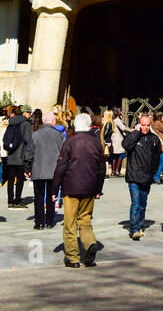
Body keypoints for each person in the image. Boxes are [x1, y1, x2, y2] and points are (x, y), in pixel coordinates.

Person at [52, 112, 106, 268]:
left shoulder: (70, 142)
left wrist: (54, 189)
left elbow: (60, 167)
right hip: (90, 188)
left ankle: (73, 257)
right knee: (85, 220)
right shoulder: (96, 143)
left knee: (70, 223)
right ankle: (89, 244)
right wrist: (98, 189)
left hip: (71, 188)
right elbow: (101, 168)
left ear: (75, 124)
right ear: (89, 125)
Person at [122, 113, 162, 240]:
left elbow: (157, 158)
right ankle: (134, 229)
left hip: (146, 177)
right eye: (143, 125)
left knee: (143, 205)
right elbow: (126, 145)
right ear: (139, 124)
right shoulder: (134, 136)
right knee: (135, 204)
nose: (145, 128)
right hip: (134, 176)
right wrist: (135, 132)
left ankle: (139, 226)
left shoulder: (154, 139)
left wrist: (154, 173)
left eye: (147, 125)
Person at [31, 109, 64, 229]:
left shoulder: (35, 134)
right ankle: (50, 221)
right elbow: (63, 152)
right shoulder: (59, 135)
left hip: (38, 168)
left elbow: (29, 152)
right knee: (52, 195)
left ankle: (39, 222)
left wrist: (27, 167)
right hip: (53, 169)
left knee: (38, 196)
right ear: (53, 121)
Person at [3, 105, 33, 209]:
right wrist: (29, 159)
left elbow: (5, 138)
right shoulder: (26, 124)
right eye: (29, 113)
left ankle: (10, 201)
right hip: (21, 156)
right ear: (25, 113)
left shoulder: (11, 122)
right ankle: (18, 201)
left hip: (11, 155)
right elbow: (29, 141)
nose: (30, 115)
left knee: (10, 179)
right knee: (20, 180)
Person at [152, 112, 163, 184]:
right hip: (160, 145)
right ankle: (156, 177)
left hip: (156, 144)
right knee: (162, 162)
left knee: (156, 162)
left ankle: (154, 176)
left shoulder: (153, 122)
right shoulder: (158, 123)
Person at [109, 109, 126, 177]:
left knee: (114, 155)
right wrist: (131, 130)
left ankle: (113, 171)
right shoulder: (117, 120)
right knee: (121, 154)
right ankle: (116, 171)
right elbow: (123, 128)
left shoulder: (111, 119)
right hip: (118, 139)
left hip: (113, 138)